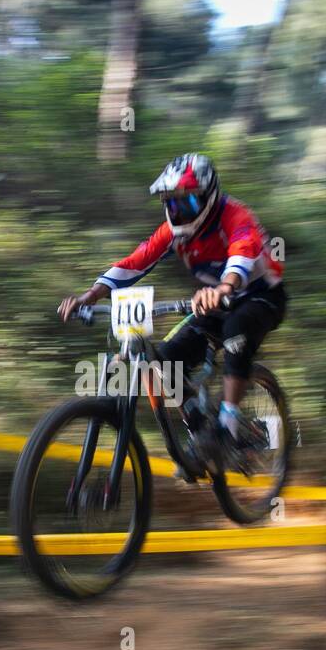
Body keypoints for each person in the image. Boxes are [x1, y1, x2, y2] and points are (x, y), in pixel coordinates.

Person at [58, 153, 287, 441]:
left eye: (187, 201)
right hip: (214, 302)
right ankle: (197, 424)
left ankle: (228, 423)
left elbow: (242, 251)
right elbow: (135, 263)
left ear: (208, 197)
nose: (178, 211)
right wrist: (89, 296)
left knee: (235, 331)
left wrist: (224, 288)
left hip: (261, 296)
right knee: (162, 361)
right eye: (170, 202)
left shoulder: (235, 216)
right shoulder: (174, 231)